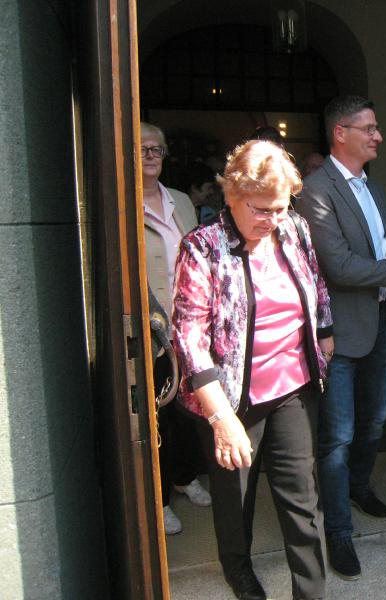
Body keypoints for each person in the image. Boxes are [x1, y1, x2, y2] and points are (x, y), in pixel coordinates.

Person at [172, 141, 332, 600]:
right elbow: (189, 337)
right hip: (229, 399)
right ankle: (238, 569)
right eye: (261, 209)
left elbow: (316, 282)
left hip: (293, 387)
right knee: (234, 497)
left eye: (280, 207)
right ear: (232, 196)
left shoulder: (295, 228)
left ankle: (311, 592)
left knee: (303, 501)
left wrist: (325, 332)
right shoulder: (202, 246)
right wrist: (221, 419)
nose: (272, 219)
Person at [295, 95, 386, 580]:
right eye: (369, 128)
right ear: (340, 133)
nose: (379, 136)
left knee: (376, 420)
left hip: (379, 323)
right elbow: (339, 267)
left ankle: (358, 487)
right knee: (337, 436)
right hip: (337, 332)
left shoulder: (373, 189)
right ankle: (338, 531)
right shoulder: (315, 190)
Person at [140, 121, 211, 536]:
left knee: (190, 411)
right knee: (160, 419)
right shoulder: (123, 202)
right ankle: (161, 498)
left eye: (157, 149)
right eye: (142, 148)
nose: (151, 156)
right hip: (152, 333)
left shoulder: (180, 201)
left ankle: (185, 477)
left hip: (189, 327)